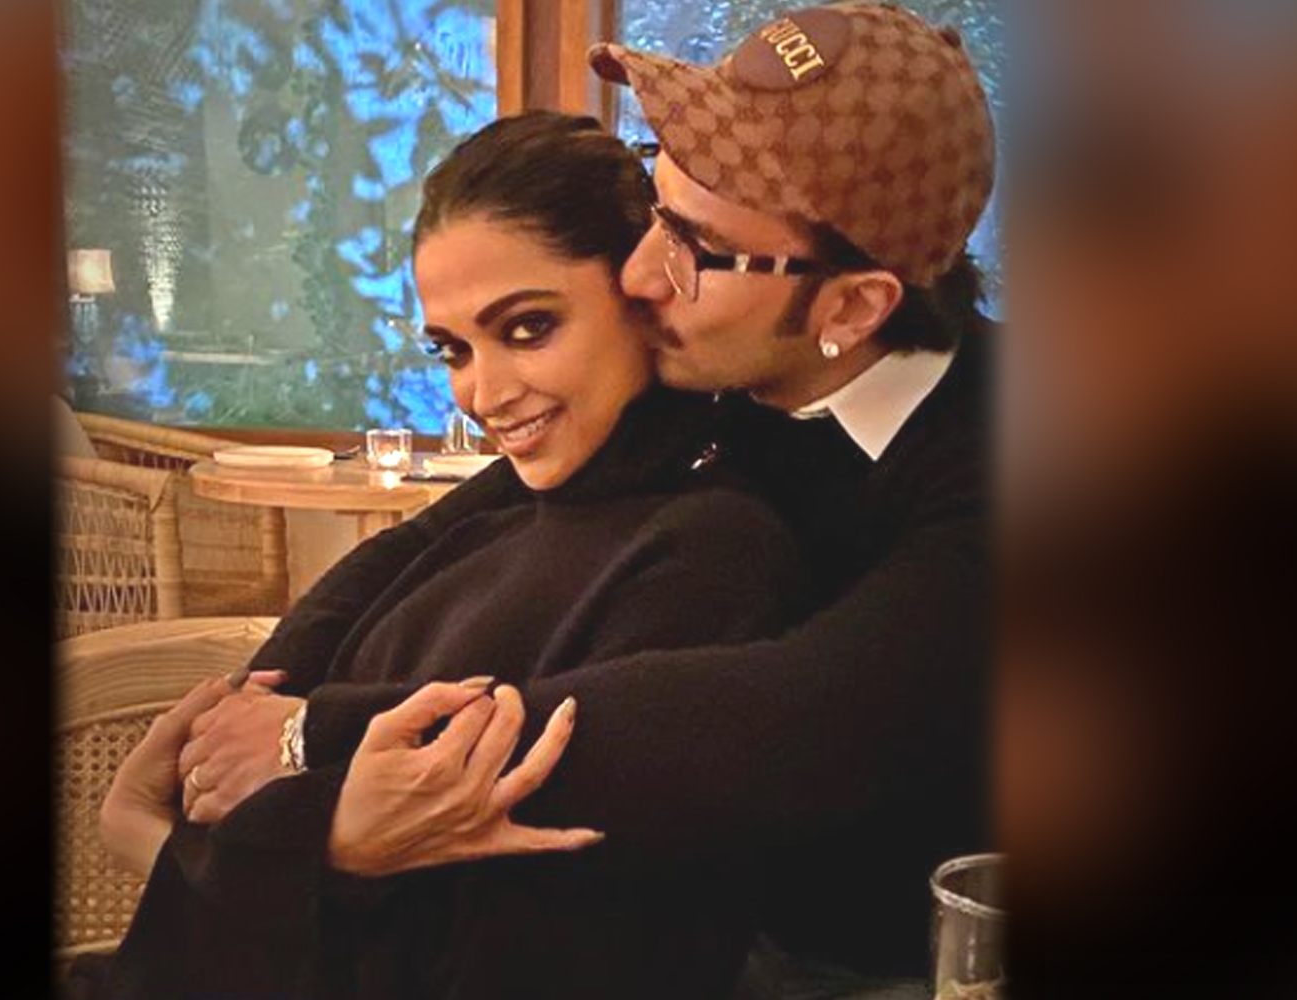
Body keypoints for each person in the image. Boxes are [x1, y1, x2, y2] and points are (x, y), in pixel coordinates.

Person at [177, 5, 998, 997]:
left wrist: (316, 739)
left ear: (853, 306)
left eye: (695, 247)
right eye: (659, 207)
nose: (641, 275)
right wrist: (258, 700)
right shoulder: (732, 365)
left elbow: (785, 720)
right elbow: (433, 532)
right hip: (721, 914)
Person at [82, 111, 802, 1000]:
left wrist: (165, 843)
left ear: (643, 292)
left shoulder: (709, 554)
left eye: (528, 328)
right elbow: (337, 620)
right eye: (453, 350)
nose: (483, 393)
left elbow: (541, 961)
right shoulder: (516, 504)